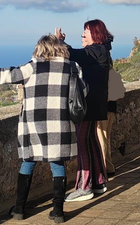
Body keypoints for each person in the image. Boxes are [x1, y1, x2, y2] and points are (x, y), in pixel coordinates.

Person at [0, 34, 79, 224]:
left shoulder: (31, 68)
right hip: (60, 123)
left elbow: (5, 75)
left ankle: (20, 209)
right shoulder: (72, 67)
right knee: (57, 165)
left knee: (28, 162)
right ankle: (58, 212)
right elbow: (83, 91)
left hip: (33, 124)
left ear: (39, 48)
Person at [55, 20, 112, 202]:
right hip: (95, 104)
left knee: (81, 141)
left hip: (88, 105)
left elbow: (74, 54)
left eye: (85, 32)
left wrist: (59, 43)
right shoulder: (101, 51)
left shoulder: (97, 51)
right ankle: (99, 182)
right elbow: (78, 54)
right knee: (91, 141)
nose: (82, 36)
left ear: (95, 34)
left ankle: (84, 187)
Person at [97, 66, 125, 177]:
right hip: (111, 108)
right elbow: (120, 92)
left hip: (102, 109)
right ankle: (109, 167)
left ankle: (102, 169)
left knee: (101, 138)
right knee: (106, 137)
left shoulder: (99, 73)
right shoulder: (112, 72)